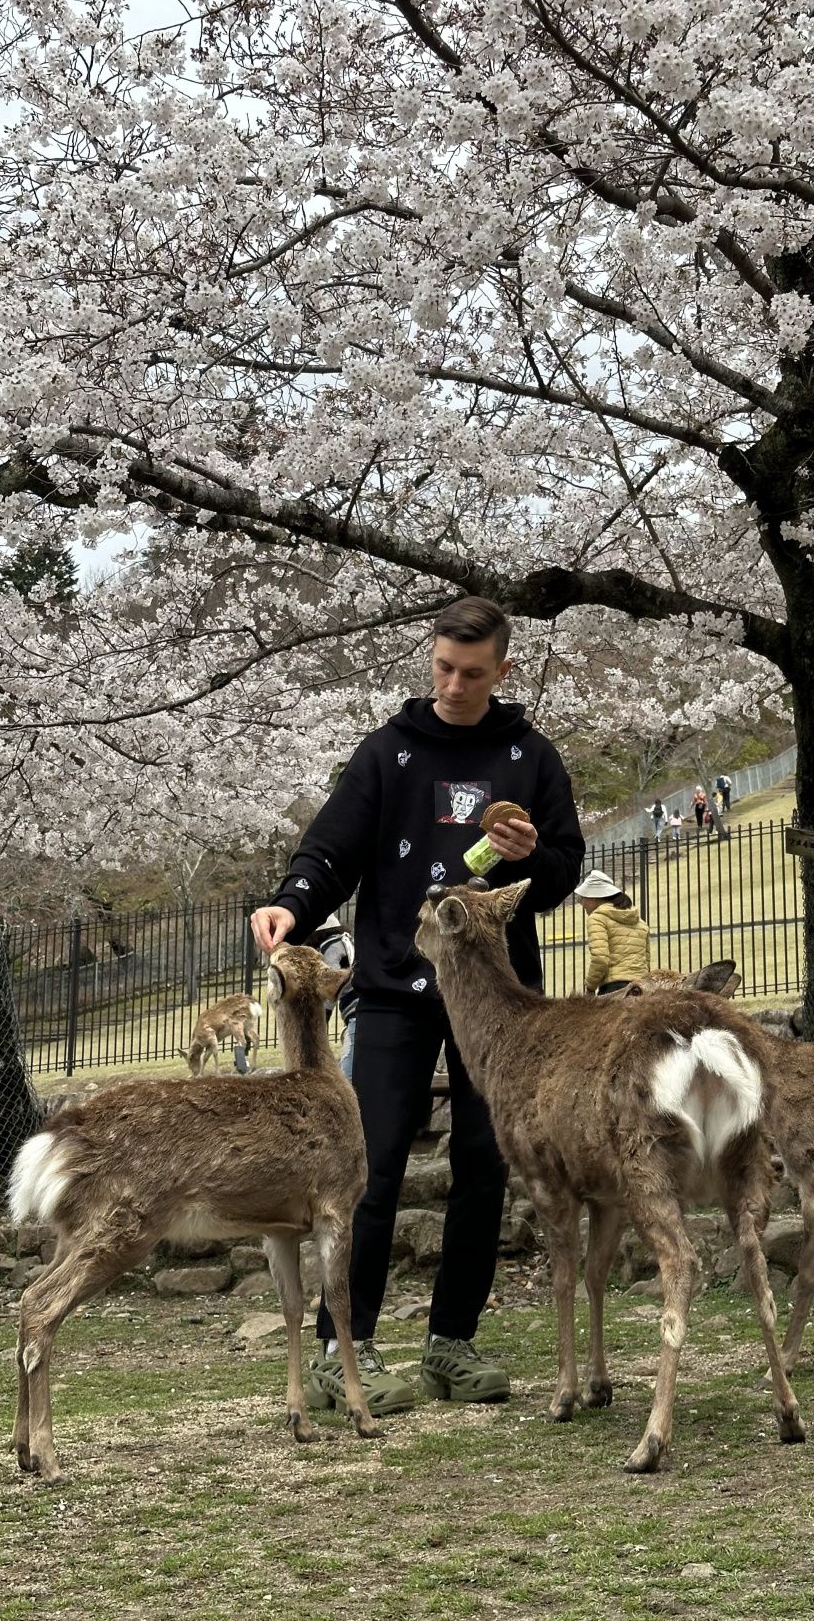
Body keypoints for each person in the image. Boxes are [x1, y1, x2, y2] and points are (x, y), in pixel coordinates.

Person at [251, 596, 585, 1418]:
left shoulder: (530, 756)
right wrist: (291, 903)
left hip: (499, 1007)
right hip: (395, 990)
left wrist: (534, 858)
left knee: (483, 1165)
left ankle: (451, 1344)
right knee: (369, 1165)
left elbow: (568, 866)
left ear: (502, 671)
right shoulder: (389, 752)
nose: (454, 683)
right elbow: (332, 847)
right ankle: (343, 1347)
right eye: (442, 667)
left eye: (473, 672)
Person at [575, 869, 650, 993]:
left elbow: (600, 958)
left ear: (595, 897)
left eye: (583, 898)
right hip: (640, 990)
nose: (582, 903)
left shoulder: (597, 918)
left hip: (613, 989)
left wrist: (590, 986)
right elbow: (646, 961)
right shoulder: (641, 923)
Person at [313, 912, 358, 1078]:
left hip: (357, 1014)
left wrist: (323, 1017)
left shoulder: (330, 945)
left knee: (348, 1078)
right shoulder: (346, 939)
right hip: (358, 1012)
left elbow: (330, 982)